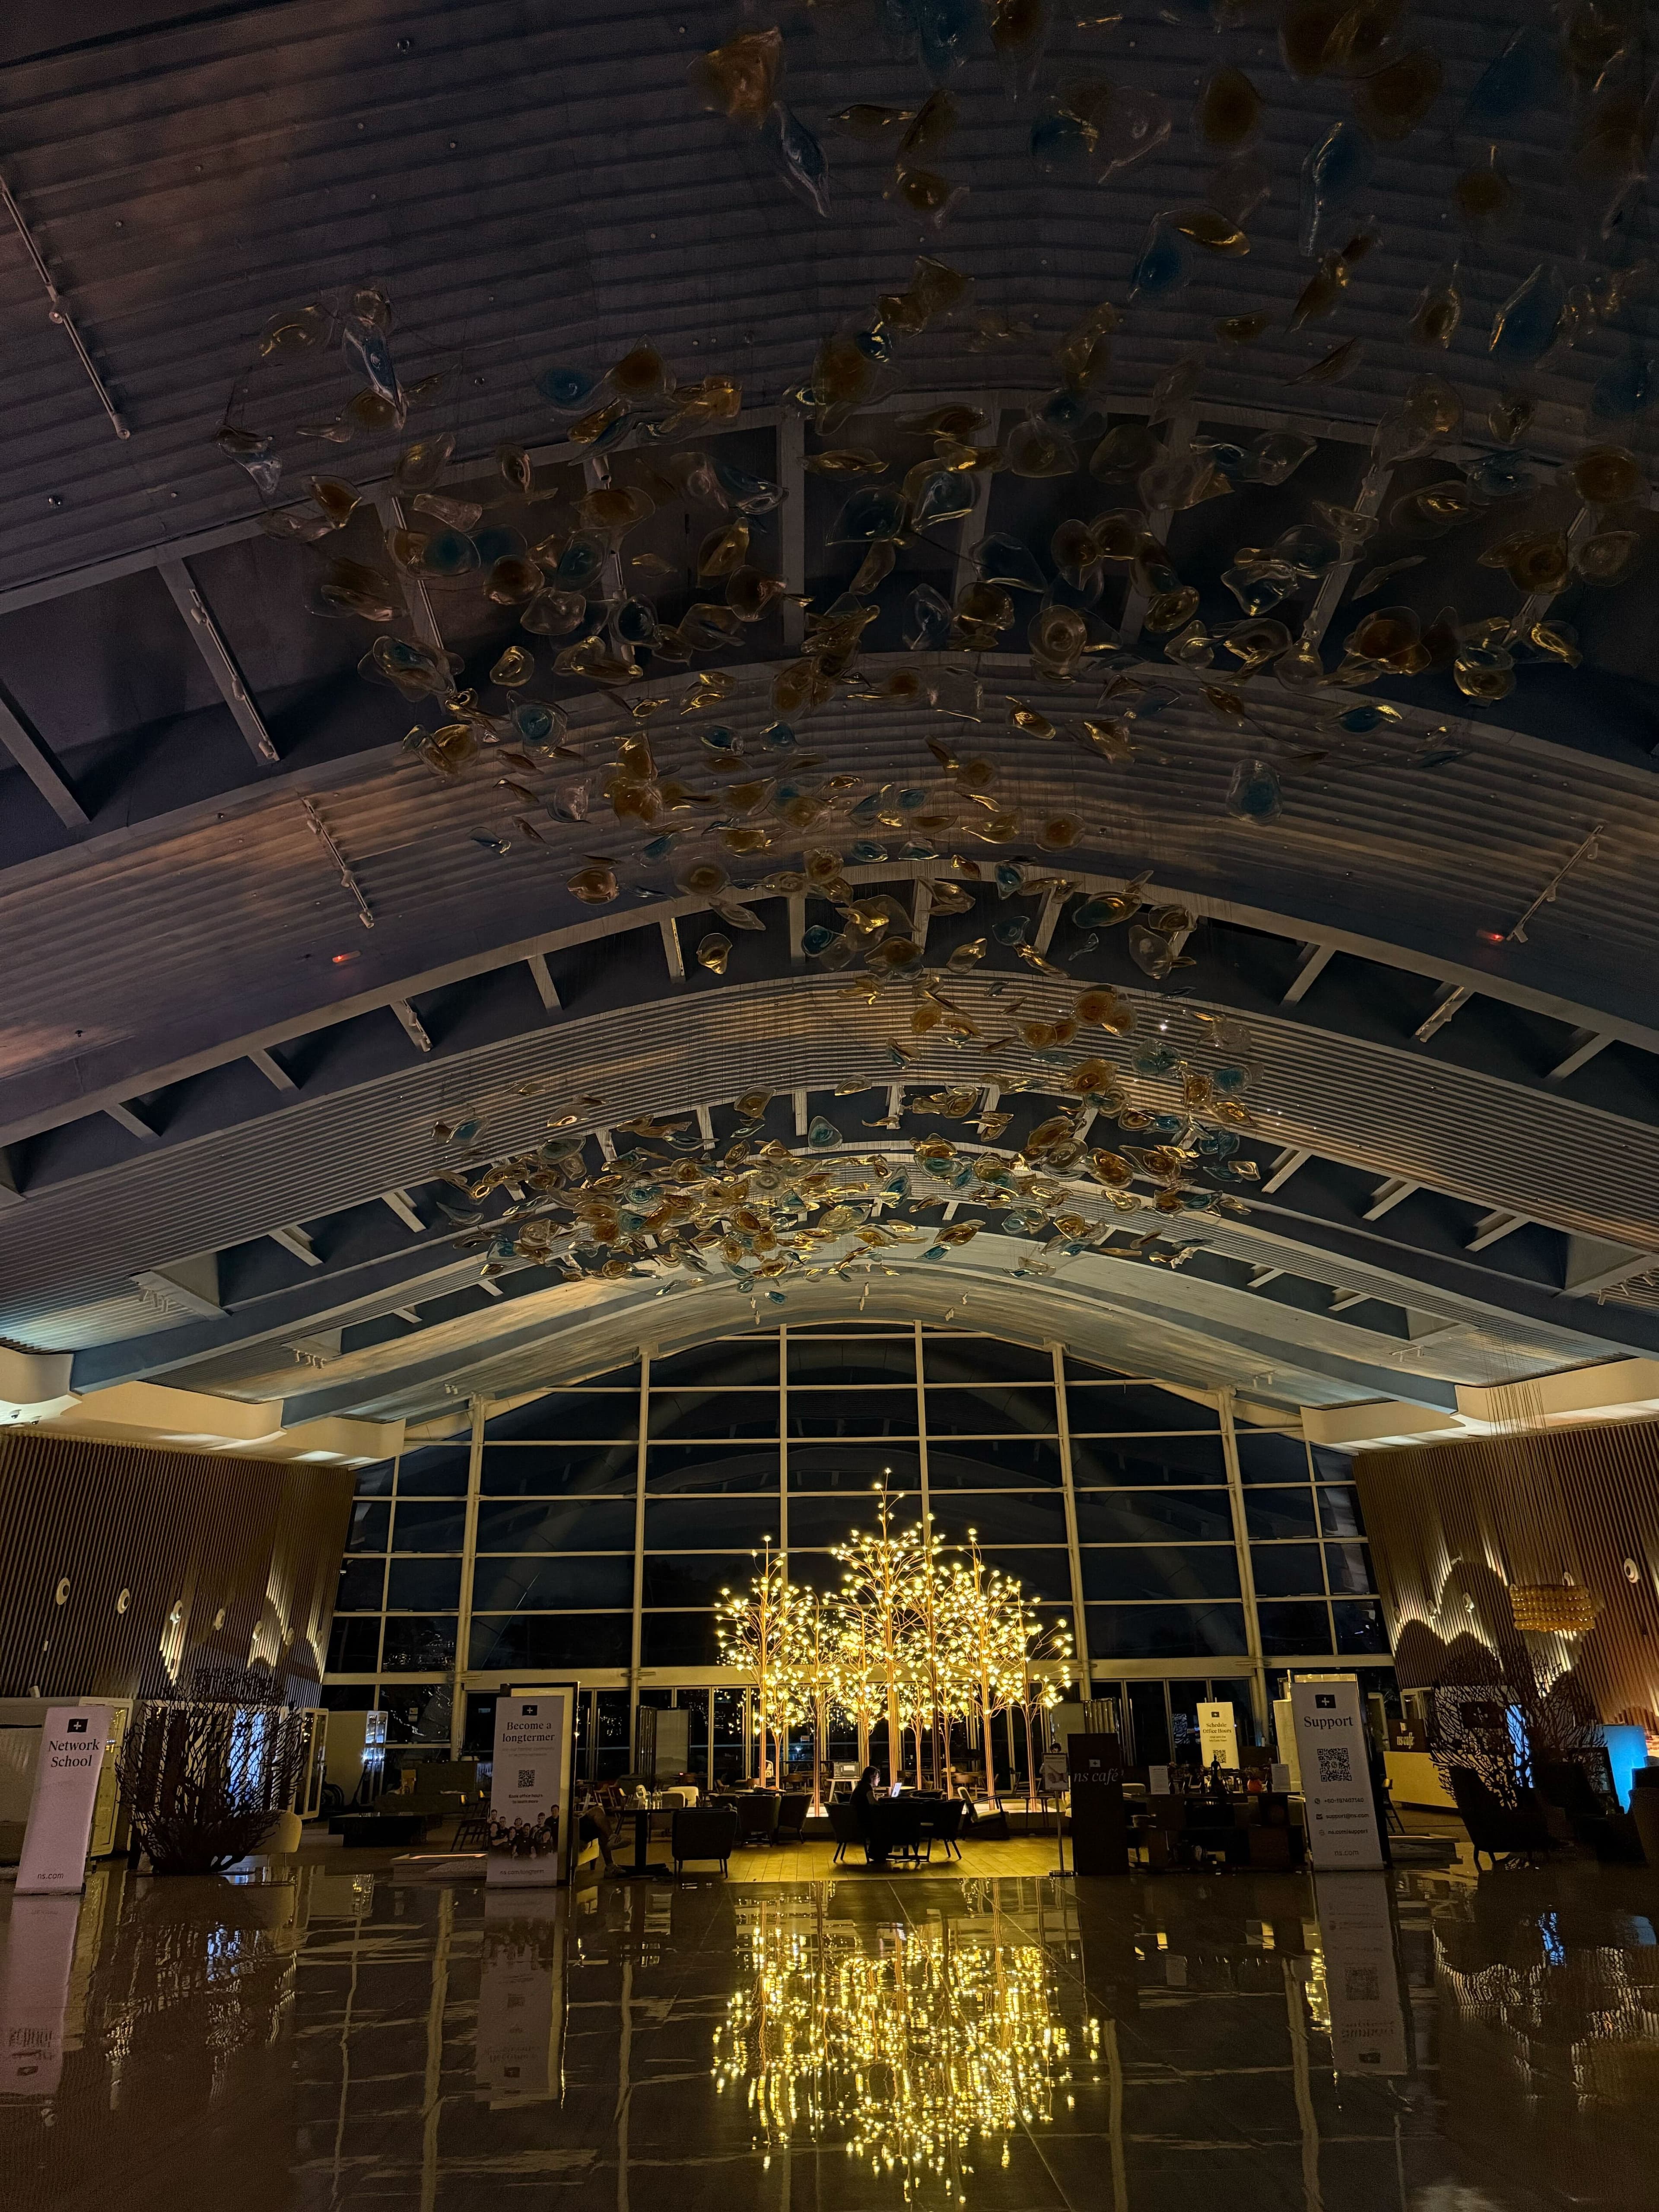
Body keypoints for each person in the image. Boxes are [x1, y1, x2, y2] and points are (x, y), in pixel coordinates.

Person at [852, 1765, 889, 1867]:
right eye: (878, 1777)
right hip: (863, 1821)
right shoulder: (867, 1787)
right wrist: (882, 1802)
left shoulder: (861, 1786)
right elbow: (872, 1803)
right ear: (872, 1777)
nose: (879, 1780)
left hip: (856, 1819)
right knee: (884, 1825)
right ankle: (879, 1853)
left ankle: (878, 1853)